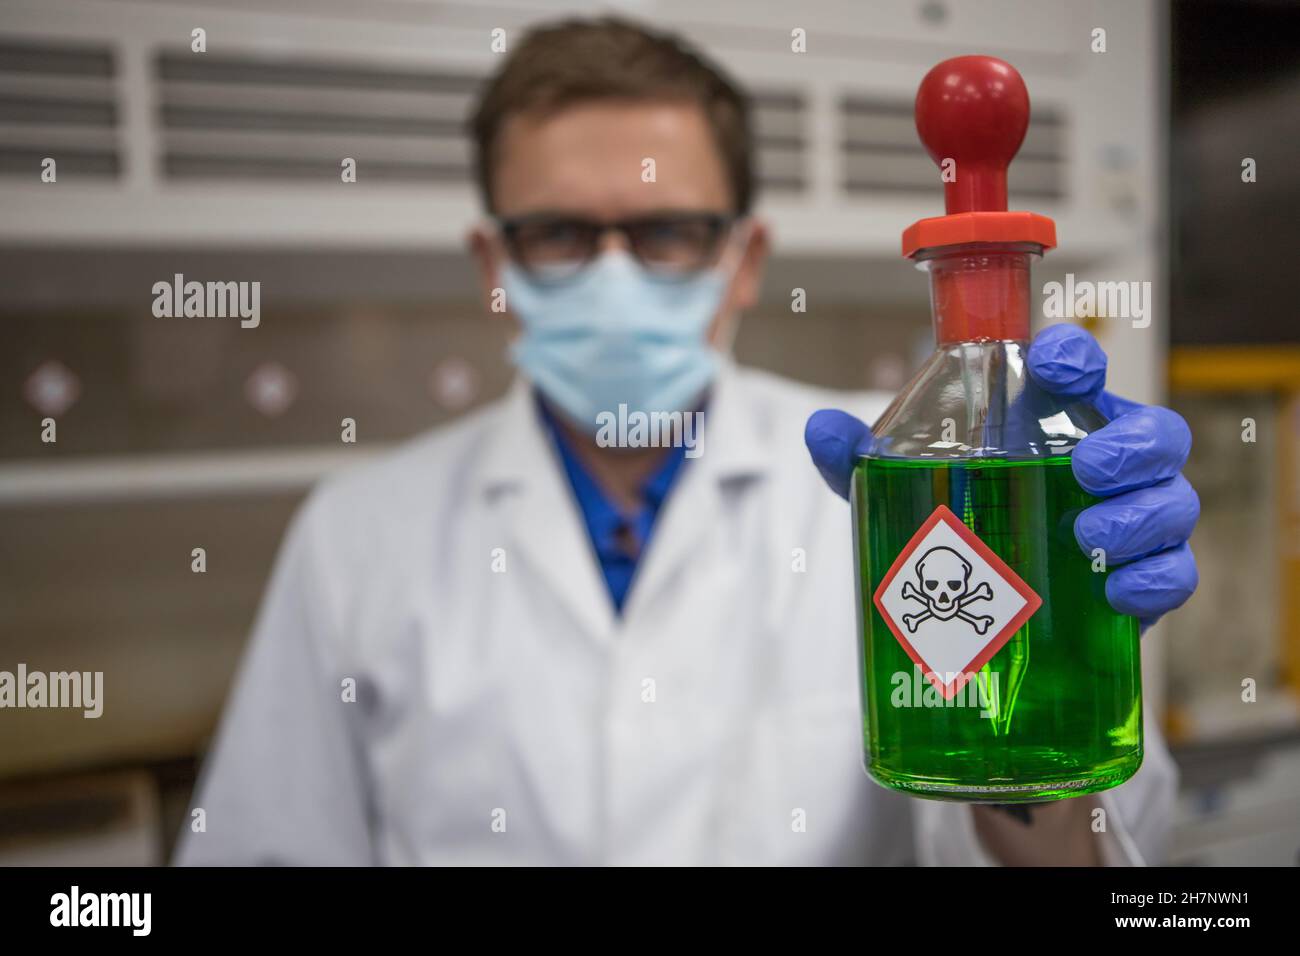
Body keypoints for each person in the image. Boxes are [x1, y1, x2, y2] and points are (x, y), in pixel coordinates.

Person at [176, 17, 1197, 866]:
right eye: (561, 234)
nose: (613, 275)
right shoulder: (356, 539)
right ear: (496, 262)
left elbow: (1080, 862)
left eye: (665, 231)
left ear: (743, 258)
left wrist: (1053, 700)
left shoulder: (894, 479)